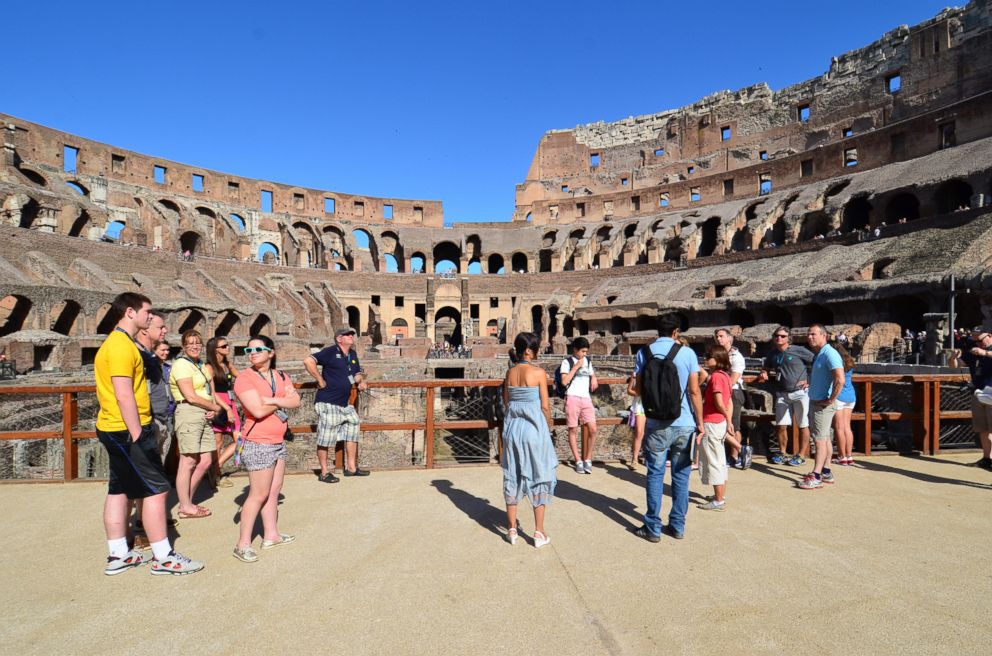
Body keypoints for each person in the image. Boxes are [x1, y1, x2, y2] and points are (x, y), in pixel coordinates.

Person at [94, 292, 203, 575]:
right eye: (147, 311)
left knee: (119, 490)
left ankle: (118, 554)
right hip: (127, 428)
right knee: (156, 490)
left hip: (113, 427)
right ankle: (164, 557)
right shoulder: (120, 346)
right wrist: (138, 434)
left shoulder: (122, 343)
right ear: (130, 312)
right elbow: (123, 393)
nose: (149, 316)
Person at [633, 315, 703, 542]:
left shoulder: (644, 352)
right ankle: (677, 525)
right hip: (684, 423)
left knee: (655, 474)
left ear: (658, 331)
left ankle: (652, 527)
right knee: (681, 476)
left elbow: (639, 388)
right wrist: (700, 423)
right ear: (676, 332)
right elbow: (694, 392)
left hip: (655, 424)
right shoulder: (688, 353)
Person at [232, 335, 300, 562]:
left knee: (274, 490)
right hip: (258, 441)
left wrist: (271, 400)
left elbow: (296, 401)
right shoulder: (244, 378)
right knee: (258, 494)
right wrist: (282, 399)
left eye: (258, 349)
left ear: (271, 352)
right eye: (248, 350)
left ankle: (271, 535)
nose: (252, 353)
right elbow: (257, 411)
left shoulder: (280, 375)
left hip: (278, 440)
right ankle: (242, 544)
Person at [501, 332, 557, 548]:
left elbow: (507, 402)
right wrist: (549, 425)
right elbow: (544, 405)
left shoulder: (510, 373)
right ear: (529, 351)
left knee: (512, 473)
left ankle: (512, 529)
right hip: (534, 430)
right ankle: (538, 532)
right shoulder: (539, 373)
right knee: (539, 475)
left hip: (513, 431)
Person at [169, 329, 230, 518]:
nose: (195, 346)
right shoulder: (181, 364)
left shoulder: (201, 365)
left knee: (205, 460)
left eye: (197, 343)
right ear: (183, 346)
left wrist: (211, 408)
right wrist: (214, 406)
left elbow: (207, 390)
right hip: (188, 412)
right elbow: (190, 395)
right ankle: (186, 506)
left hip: (204, 414)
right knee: (188, 461)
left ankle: (186, 501)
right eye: (190, 343)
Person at [131, 311, 176, 549]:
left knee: (156, 472)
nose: (165, 330)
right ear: (145, 329)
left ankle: (150, 520)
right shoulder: (137, 355)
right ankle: (142, 527)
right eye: (161, 327)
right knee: (147, 478)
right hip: (147, 423)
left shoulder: (151, 357)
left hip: (161, 420)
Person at [305, 328, 369, 482]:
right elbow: (308, 361)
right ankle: (325, 472)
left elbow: (356, 373)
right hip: (327, 401)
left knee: (353, 427)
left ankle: (351, 468)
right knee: (325, 438)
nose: (351, 336)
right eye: (348, 335)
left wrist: (361, 381)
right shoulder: (330, 351)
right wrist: (320, 380)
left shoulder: (352, 354)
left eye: (352, 334)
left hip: (344, 403)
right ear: (339, 338)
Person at [798, 325, 845, 490]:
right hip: (817, 401)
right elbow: (824, 375)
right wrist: (810, 383)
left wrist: (831, 399)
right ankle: (826, 471)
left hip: (822, 404)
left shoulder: (830, 354)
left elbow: (840, 379)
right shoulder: (821, 354)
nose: (809, 337)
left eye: (813, 334)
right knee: (824, 438)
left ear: (824, 335)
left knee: (819, 440)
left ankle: (816, 475)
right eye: (808, 334)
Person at [758, 327, 814, 466]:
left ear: (788, 338)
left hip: (800, 393)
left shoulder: (798, 350)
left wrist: (810, 381)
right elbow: (766, 366)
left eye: (783, 336)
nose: (779, 338)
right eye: (777, 335)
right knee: (781, 425)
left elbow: (817, 362)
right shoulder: (773, 354)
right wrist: (764, 372)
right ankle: (782, 453)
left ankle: (801, 455)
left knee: (803, 424)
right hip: (782, 393)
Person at [698, 345, 740, 511]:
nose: (706, 359)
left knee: (713, 461)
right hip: (720, 422)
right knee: (720, 461)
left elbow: (718, 402)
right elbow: (728, 402)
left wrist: (726, 417)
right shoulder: (725, 376)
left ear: (718, 358)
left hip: (712, 421)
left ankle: (718, 500)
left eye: (709, 356)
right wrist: (728, 420)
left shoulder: (716, 377)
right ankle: (720, 495)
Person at [205, 336, 241, 488]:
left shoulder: (228, 364)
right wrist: (226, 409)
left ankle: (216, 467)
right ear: (215, 350)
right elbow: (211, 393)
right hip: (219, 405)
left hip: (230, 403)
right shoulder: (209, 367)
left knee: (240, 439)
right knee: (218, 443)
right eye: (224, 346)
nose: (228, 348)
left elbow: (241, 378)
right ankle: (216, 476)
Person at [560, 337, 599, 474]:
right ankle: (578, 460)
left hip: (586, 398)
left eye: (586, 351)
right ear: (575, 349)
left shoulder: (588, 361)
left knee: (593, 429)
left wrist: (594, 377)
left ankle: (588, 458)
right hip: (572, 397)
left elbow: (591, 373)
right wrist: (576, 367)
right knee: (573, 430)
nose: (585, 354)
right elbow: (564, 381)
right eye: (582, 351)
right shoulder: (567, 362)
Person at [715, 328, 751, 469]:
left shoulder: (736, 357)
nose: (718, 339)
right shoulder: (718, 354)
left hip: (733, 393)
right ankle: (729, 455)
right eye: (717, 336)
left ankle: (735, 457)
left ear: (729, 339)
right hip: (721, 392)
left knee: (734, 425)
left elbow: (733, 379)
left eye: (721, 336)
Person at [961, 330, 992, 470]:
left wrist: (984, 353)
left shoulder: (984, 351)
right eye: (976, 342)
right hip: (978, 393)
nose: (978, 344)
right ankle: (987, 458)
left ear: (990, 336)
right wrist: (952, 358)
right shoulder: (974, 351)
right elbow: (957, 364)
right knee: (982, 428)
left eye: (981, 340)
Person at [831, 343, 857, 466]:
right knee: (847, 427)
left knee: (839, 427)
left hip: (839, 396)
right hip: (851, 395)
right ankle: (849, 456)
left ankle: (841, 456)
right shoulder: (849, 361)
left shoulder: (835, 362)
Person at [625, 374, 646, 471]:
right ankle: (635, 459)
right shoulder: (639, 375)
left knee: (652, 433)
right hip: (640, 406)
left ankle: (649, 457)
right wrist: (633, 378)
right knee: (639, 431)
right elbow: (630, 391)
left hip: (652, 406)